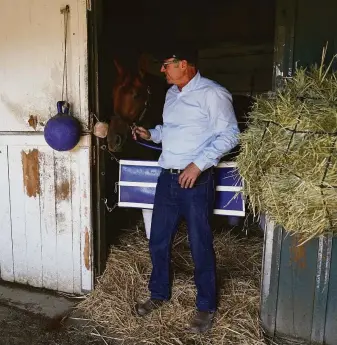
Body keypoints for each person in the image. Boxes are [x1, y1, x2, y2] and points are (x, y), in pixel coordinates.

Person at [132, 47, 240, 333]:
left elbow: (230, 134)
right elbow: (171, 131)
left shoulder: (213, 93)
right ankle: (158, 294)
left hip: (196, 180)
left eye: (167, 65)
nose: (162, 70)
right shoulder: (171, 95)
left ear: (185, 65)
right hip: (167, 177)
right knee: (158, 239)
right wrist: (151, 134)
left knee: (199, 243)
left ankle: (205, 306)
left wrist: (198, 165)